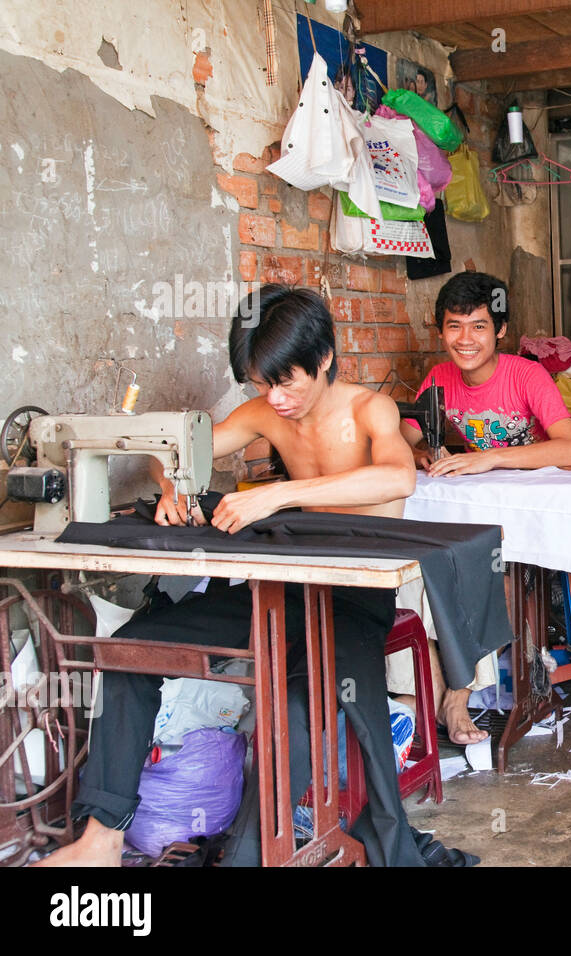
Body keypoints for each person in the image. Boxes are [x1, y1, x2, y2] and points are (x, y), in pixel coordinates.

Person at [36, 285, 427, 867]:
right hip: (278, 584)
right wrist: (173, 488)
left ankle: (250, 853)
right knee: (130, 650)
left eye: (287, 380)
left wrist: (276, 496)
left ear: (323, 359)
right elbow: (173, 450)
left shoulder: (370, 410)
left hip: (351, 597)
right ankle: (101, 839)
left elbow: (398, 479)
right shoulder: (265, 410)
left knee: (299, 698)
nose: (277, 398)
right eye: (262, 384)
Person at [400, 271, 571, 745]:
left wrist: (490, 457)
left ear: (500, 330)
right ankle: (422, 694)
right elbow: (405, 437)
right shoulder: (439, 379)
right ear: (440, 330)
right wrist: (418, 452)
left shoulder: (527, 375)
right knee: (434, 569)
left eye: (479, 326)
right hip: (480, 516)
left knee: (490, 571)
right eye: (454, 326)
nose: (465, 339)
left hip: (530, 517)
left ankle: (456, 694)